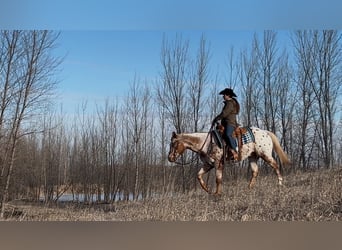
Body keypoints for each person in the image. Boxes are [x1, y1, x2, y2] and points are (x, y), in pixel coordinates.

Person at [212, 88, 240, 160]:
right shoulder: (229, 103)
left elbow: (224, 113)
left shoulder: (230, 103)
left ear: (228, 95)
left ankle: (235, 149)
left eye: (224, 94)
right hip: (226, 123)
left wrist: (216, 118)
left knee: (228, 134)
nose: (223, 96)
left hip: (230, 123)